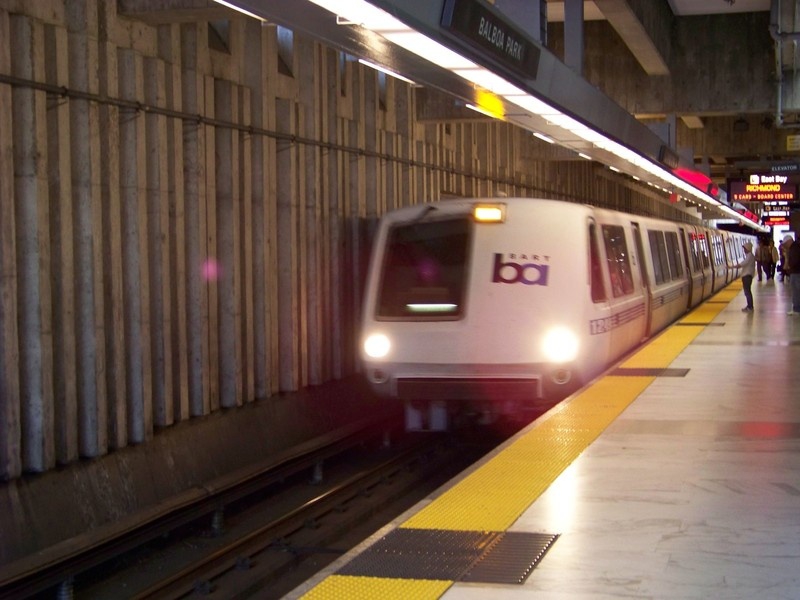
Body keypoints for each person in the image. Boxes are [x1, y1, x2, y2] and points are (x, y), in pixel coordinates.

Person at [737, 241, 756, 312]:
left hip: (747, 276)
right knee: (747, 292)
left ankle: (750, 307)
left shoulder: (750, 256)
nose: (744, 250)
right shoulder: (750, 256)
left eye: (745, 248)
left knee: (747, 292)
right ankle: (749, 306)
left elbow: (743, 263)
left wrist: (732, 267)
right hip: (747, 275)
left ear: (748, 248)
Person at [785, 235, 800, 315]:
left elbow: (794, 260)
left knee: (796, 291)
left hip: (796, 272)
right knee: (796, 290)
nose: (785, 245)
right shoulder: (795, 247)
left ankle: (797, 309)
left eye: (786, 243)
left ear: (789, 241)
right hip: (795, 272)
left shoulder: (794, 248)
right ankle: (796, 308)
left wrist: (789, 265)